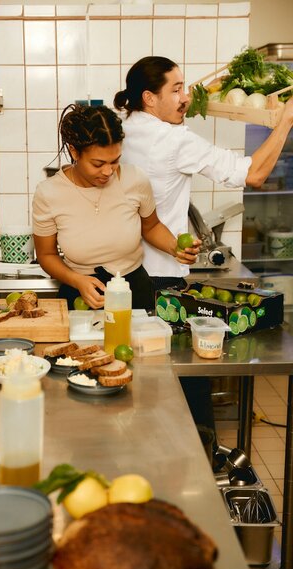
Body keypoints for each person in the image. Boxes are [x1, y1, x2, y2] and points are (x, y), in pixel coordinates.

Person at [114, 56, 293, 452]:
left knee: (136, 375)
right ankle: (199, 460)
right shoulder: (175, 140)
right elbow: (254, 175)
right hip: (161, 280)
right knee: (184, 377)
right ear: (149, 97)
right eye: (175, 89)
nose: (186, 97)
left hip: (121, 278)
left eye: (186, 86)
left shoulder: (125, 131)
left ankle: (142, 456)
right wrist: (285, 122)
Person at [32, 103, 199, 313]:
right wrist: (76, 280)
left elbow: (152, 226)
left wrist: (176, 248)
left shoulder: (135, 180)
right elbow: (46, 255)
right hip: (80, 294)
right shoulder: (49, 193)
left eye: (115, 161)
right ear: (74, 152)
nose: (108, 171)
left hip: (134, 291)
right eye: (98, 163)